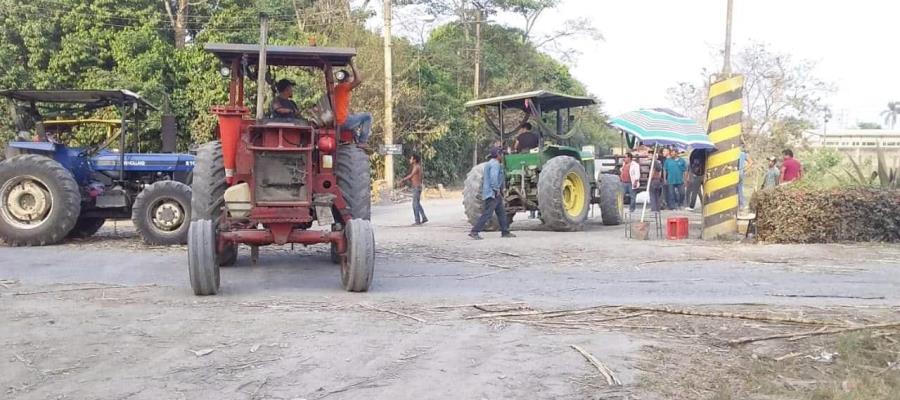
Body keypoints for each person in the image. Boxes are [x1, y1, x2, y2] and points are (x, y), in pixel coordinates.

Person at [469, 147, 516, 240]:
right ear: (498, 155)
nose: (502, 155)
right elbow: (494, 178)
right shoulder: (495, 164)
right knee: (487, 214)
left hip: (492, 193)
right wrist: (496, 189)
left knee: (501, 213)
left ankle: (505, 232)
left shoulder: (489, 163)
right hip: (493, 193)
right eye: (501, 154)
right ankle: (474, 231)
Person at [334, 62, 372, 148]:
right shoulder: (344, 87)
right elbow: (358, 80)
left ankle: (356, 140)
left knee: (353, 117)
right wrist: (353, 65)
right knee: (367, 116)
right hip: (343, 121)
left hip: (338, 121)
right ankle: (362, 142)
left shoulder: (336, 89)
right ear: (347, 79)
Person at [398, 154, 428, 225]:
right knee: (417, 203)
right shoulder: (418, 167)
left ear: (414, 160)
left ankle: (417, 221)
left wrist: (403, 180)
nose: (410, 160)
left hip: (416, 187)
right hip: (418, 186)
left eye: (411, 159)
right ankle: (424, 217)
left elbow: (411, 175)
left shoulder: (416, 167)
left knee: (415, 204)